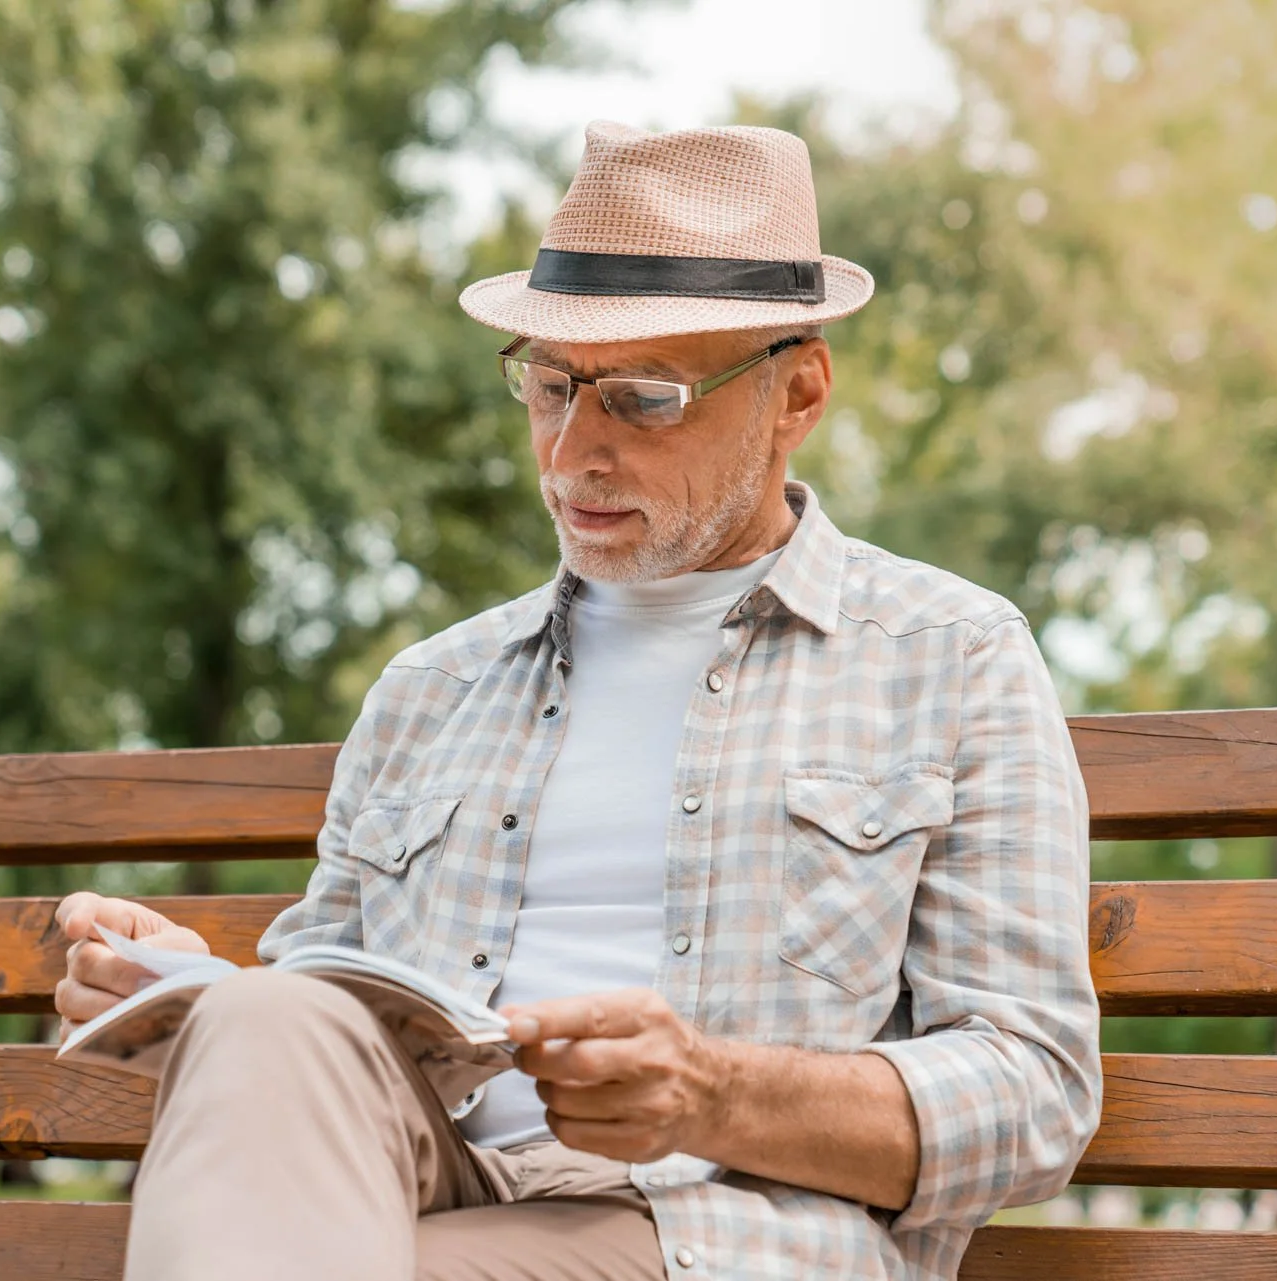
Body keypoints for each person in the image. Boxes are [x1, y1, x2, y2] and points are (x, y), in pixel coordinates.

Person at [54, 122, 1101, 1281]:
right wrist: (188, 1005)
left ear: (797, 393)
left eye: (644, 399)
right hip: (410, 1207)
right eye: (549, 388)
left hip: (717, 1234)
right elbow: (328, 1033)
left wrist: (712, 1095)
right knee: (267, 1021)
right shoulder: (431, 690)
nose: (572, 456)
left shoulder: (948, 658)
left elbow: (1034, 1093)